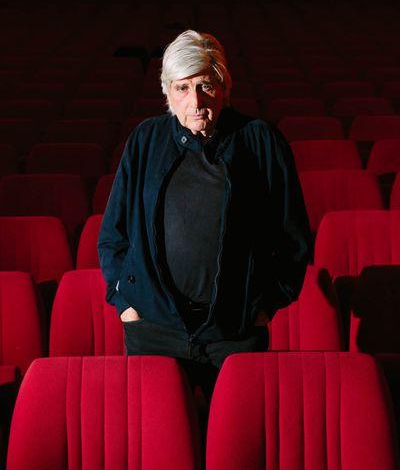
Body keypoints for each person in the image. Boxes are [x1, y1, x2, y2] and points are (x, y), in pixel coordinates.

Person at [98, 30, 312, 399]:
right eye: (182, 88)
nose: (195, 101)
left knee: (235, 447)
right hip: (153, 329)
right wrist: (127, 307)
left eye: (205, 85)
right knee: (159, 447)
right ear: (167, 93)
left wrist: (264, 308)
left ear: (224, 87)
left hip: (235, 332)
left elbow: (292, 238)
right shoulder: (145, 140)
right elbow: (113, 235)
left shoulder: (260, 140)